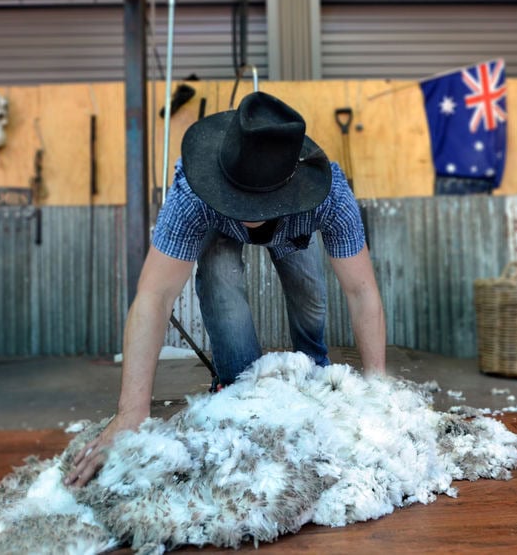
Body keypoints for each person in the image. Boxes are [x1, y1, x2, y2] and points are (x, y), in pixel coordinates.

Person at [66, 91, 386, 488]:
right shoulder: (192, 194)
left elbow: (361, 291)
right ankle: (241, 392)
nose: (248, 209)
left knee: (309, 292)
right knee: (219, 274)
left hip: (295, 225)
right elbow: (154, 296)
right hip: (217, 222)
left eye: (255, 202)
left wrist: (378, 393)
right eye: (241, 200)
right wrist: (131, 412)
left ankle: (313, 369)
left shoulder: (328, 195)